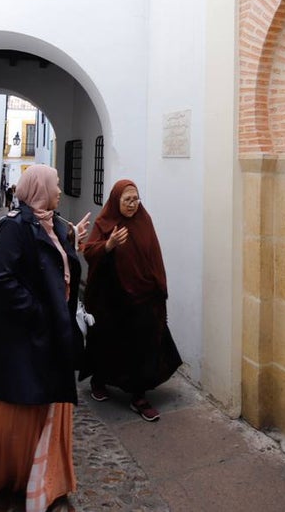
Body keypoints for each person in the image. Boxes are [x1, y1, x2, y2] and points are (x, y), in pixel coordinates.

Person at [0, 165, 83, 512]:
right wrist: (39, 312)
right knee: (15, 413)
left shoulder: (54, 224)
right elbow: (0, 279)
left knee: (47, 408)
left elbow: (55, 263)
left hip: (49, 337)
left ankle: (41, 481)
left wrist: (71, 244)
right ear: (40, 188)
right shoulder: (15, 227)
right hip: (24, 340)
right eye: (56, 185)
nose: (59, 190)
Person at [81, 180, 181, 422]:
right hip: (112, 299)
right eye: (127, 200)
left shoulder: (144, 221)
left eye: (135, 199)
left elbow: (154, 255)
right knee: (110, 343)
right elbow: (88, 251)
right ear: (116, 200)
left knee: (144, 345)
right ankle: (99, 380)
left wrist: (159, 286)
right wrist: (109, 245)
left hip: (143, 297)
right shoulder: (105, 223)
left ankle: (139, 396)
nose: (132, 204)